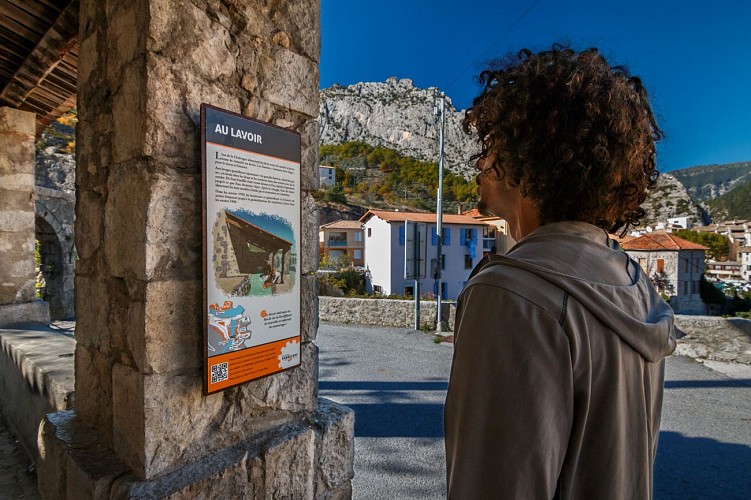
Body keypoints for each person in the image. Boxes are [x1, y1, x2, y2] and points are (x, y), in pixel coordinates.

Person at [444, 45, 677, 499]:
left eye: (491, 146)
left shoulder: (513, 293)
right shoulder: (632, 283)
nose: (480, 163)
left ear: (528, 160)